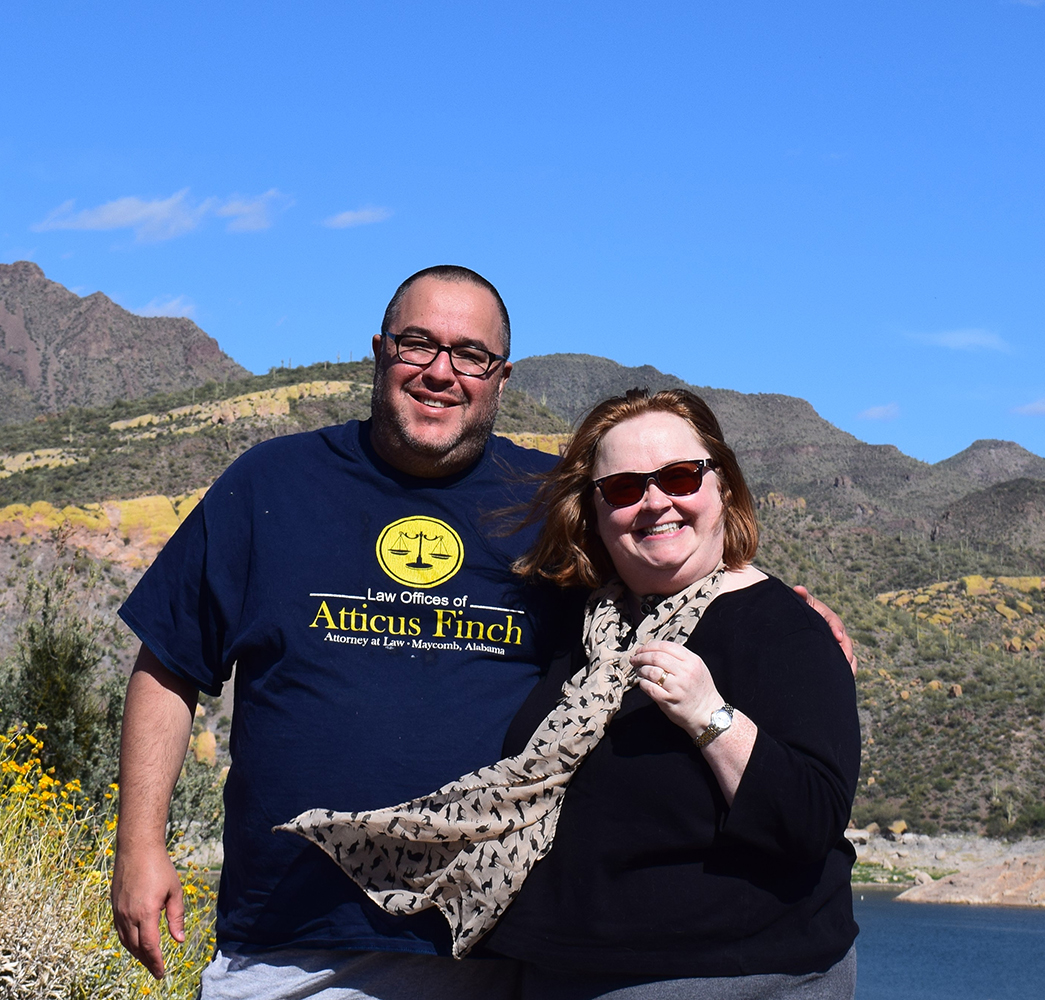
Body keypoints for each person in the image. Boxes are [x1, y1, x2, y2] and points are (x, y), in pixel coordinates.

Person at [109, 267, 856, 999]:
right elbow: (170, 662)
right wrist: (139, 846)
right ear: (379, 351)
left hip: (489, 944)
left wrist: (784, 611)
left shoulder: (552, 506)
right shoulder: (269, 484)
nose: (441, 371)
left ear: (502, 377)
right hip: (293, 930)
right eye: (417, 344)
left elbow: (671, 550)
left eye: (471, 355)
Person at [281, 388, 859, 998]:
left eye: (681, 477)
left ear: (724, 489)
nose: (655, 502)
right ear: (595, 511)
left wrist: (711, 717)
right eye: (623, 488)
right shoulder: (590, 627)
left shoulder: (783, 629)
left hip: (727, 973)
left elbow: (811, 818)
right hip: (562, 969)